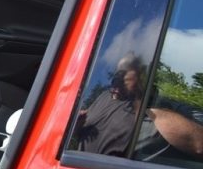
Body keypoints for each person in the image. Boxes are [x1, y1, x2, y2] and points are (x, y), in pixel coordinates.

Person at [75, 53, 203, 160]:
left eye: (123, 72)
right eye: (116, 72)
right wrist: (77, 127)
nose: (116, 77)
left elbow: (199, 144)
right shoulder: (104, 96)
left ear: (143, 75)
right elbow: (85, 131)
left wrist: (150, 111)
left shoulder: (166, 109)